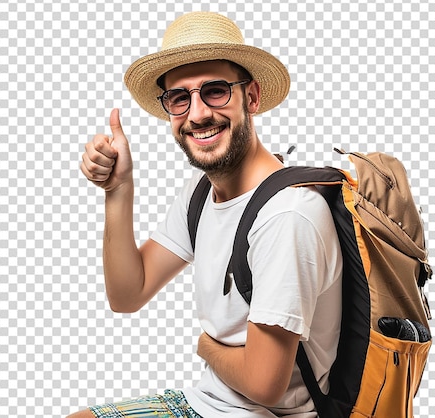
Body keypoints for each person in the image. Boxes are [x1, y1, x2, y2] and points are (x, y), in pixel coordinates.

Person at [74, 11, 342, 418]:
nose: (197, 114)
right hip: (208, 404)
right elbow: (128, 294)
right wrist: (118, 190)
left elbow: (263, 385)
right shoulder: (201, 194)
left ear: (251, 97)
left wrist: (205, 344)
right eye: (180, 98)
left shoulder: (288, 215)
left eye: (215, 91)